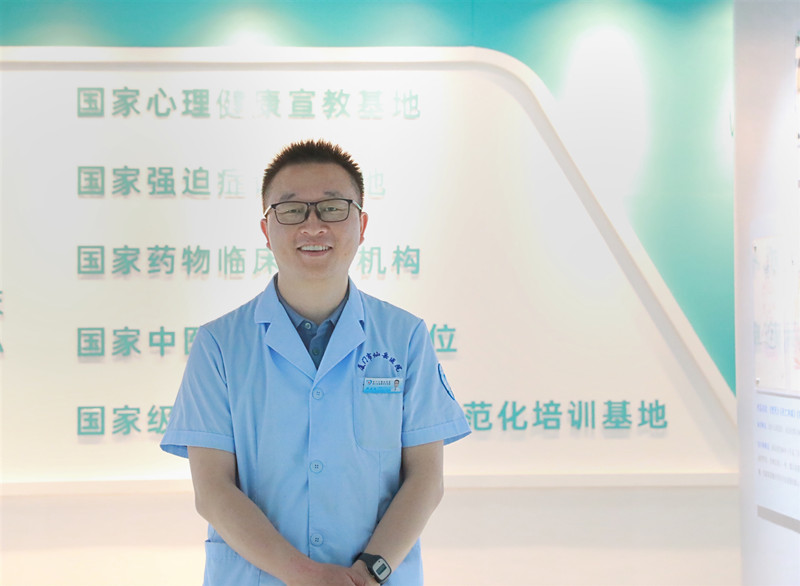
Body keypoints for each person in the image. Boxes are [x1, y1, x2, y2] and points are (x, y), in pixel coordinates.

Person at [161, 139, 471, 585]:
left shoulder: (405, 337)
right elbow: (212, 490)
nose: (313, 225)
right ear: (266, 229)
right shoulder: (219, 345)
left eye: (332, 208)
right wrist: (306, 575)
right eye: (291, 210)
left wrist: (369, 573)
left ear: (362, 225)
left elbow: (425, 479)